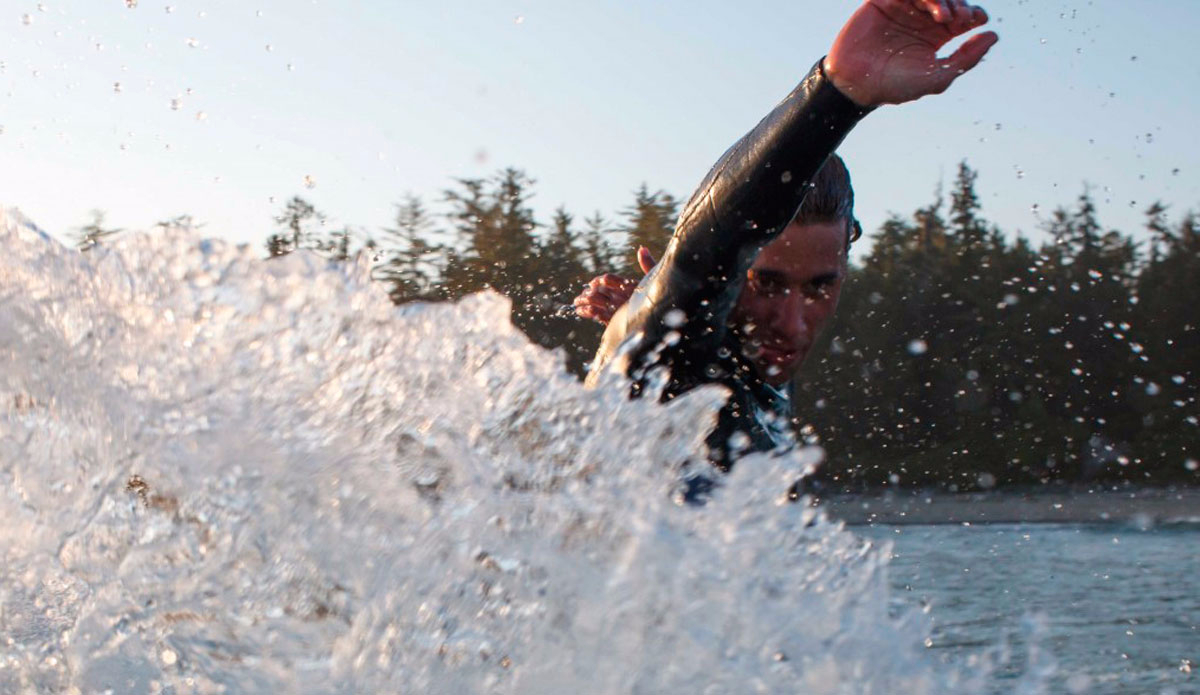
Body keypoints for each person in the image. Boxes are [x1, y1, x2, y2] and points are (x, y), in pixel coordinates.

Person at [575, 0, 998, 492]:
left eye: (820, 288)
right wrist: (838, 94)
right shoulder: (674, 357)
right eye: (766, 283)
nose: (792, 324)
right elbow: (703, 256)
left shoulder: (751, 374)